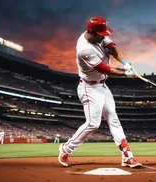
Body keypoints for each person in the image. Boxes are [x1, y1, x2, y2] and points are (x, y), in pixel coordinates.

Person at [58, 16, 141, 168]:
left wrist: (126, 64)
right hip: (89, 88)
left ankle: (127, 155)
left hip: (102, 86)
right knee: (93, 124)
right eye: (101, 34)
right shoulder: (84, 49)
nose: (104, 36)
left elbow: (113, 48)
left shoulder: (98, 35)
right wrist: (125, 73)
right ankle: (66, 148)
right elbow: (105, 69)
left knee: (113, 118)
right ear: (91, 31)